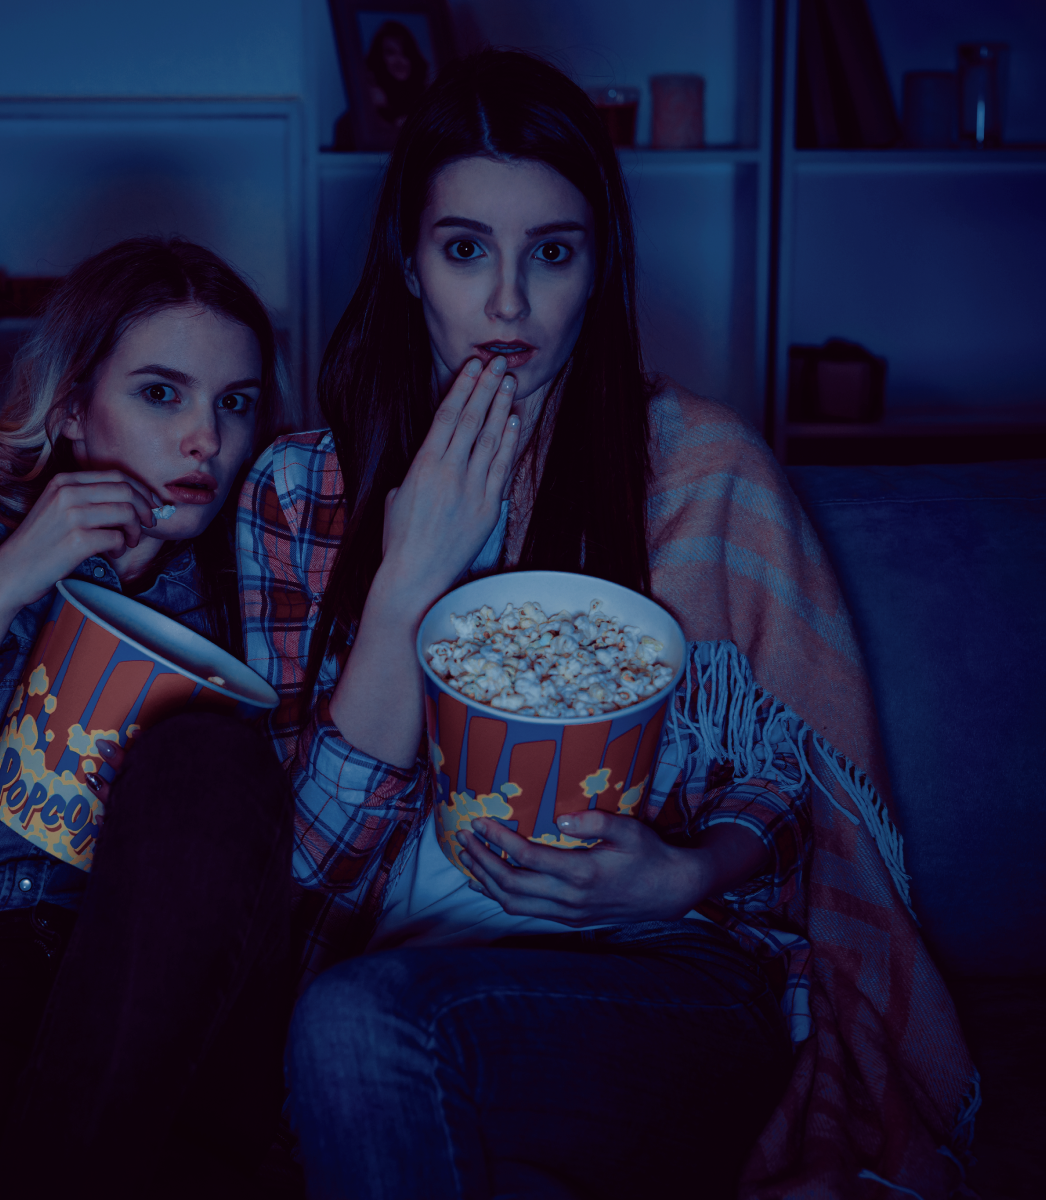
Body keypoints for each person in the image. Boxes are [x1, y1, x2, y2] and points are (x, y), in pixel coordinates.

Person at [239, 50, 977, 1199]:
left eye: (554, 253)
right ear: (407, 261)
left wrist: (676, 878)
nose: (508, 305)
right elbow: (309, 877)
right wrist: (409, 576)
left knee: (352, 1033)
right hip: (399, 971)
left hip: (667, 975)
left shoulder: (696, 468)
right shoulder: (301, 492)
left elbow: (785, 791)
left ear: (599, 266)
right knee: (359, 1030)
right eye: (465, 248)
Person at [0, 237, 294, 1199]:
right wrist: (1, 589)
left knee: (207, 754)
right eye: (162, 393)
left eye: (234, 403)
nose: (207, 439)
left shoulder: (257, 594)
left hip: (131, 975)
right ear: (73, 406)